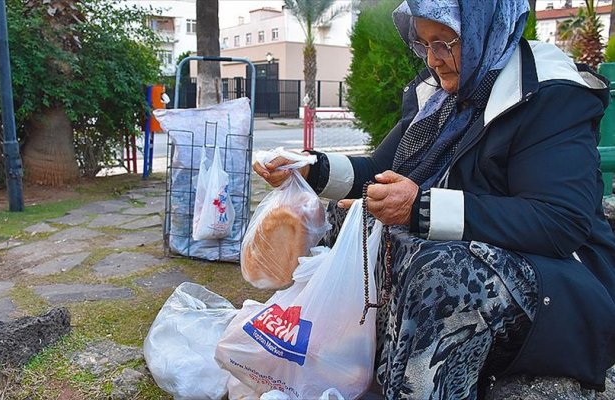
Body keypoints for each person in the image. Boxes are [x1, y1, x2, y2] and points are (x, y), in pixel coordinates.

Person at [253, 0, 615, 399]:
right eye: (424, 44)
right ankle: (340, 367)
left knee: (442, 273)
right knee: (345, 220)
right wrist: (309, 168)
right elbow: (381, 169)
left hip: (562, 284)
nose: (434, 60)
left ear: (485, 29)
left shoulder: (548, 94)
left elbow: (559, 222)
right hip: (486, 251)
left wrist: (421, 208)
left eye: (445, 42)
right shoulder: (442, 98)